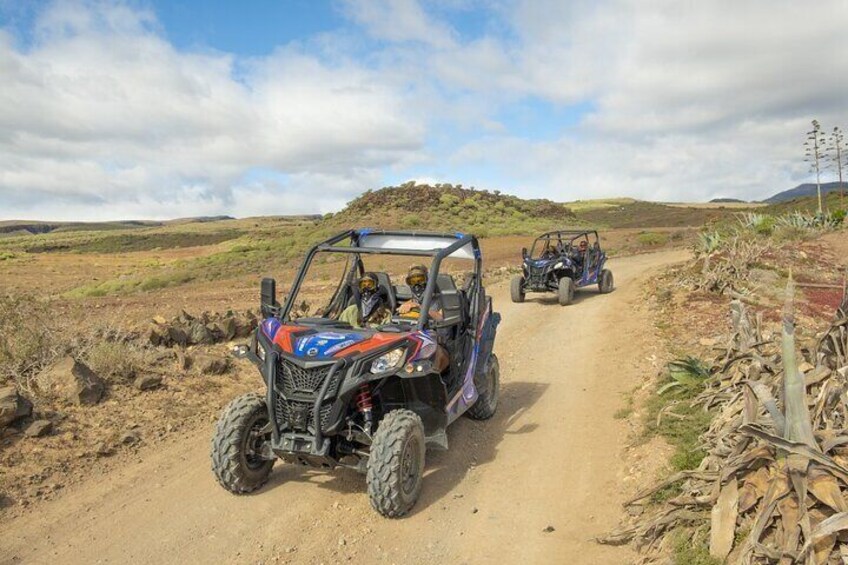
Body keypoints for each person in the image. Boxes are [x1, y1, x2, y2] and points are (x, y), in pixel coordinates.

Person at [396, 265, 449, 373]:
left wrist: (420, 308)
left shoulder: (440, 300)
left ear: (427, 281)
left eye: (420, 279)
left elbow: (441, 317)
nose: (416, 284)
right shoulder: (407, 304)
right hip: (413, 345)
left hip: (438, 345)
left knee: (434, 354)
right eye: (412, 281)